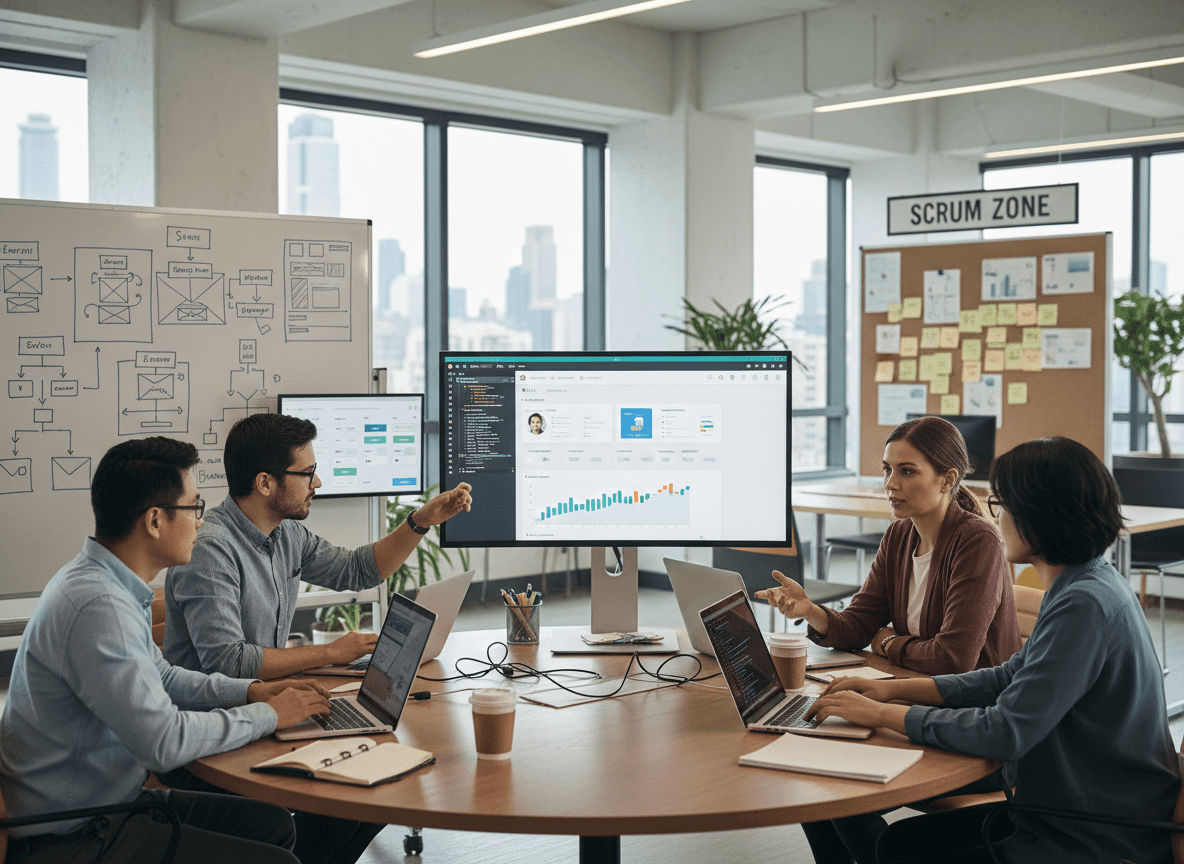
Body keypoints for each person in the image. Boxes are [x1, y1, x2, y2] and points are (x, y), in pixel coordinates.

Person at [805, 436, 1181, 864]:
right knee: (892, 841)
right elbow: (1008, 676)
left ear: (1040, 514)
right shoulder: (1088, 581)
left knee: (895, 847)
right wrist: (892, 692)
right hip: (1079, 811)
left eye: (1001, 503)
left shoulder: (1083, 604)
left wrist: (883, 715)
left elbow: (1006, 731)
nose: (995, 516)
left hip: (1095, 833)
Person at [0, 437, 332, 864]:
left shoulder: (105, 582)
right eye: (194, 507)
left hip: (113, 805)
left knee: (275, 824)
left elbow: (165, 677)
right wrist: (270, 715)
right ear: (155, 520)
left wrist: (251, 692)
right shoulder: (98, 606)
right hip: (76, 834)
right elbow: (163, 742)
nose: (200, 521)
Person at [162, 412, 472, 864]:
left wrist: (422, 520)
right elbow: (227, 662)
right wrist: (330, 652)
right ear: (266, 483)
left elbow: (358, 569)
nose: (318, 481)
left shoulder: (286, 533)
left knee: (382, 777)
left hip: (263, 710)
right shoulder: (211, 548)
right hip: (209, 737)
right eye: (306, 473)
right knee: (354, 795)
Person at [755, 415, 1021, 864]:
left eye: (907, 471)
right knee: (816, 777)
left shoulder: (977, 541)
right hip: (916, 702)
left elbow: (953, 659)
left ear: (948, 479)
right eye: (887, 469)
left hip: (973, 730)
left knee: (836, 787)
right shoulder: (900, 535)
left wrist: (888, 645)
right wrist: (813, 611)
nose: (890, 483)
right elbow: (860, 623)